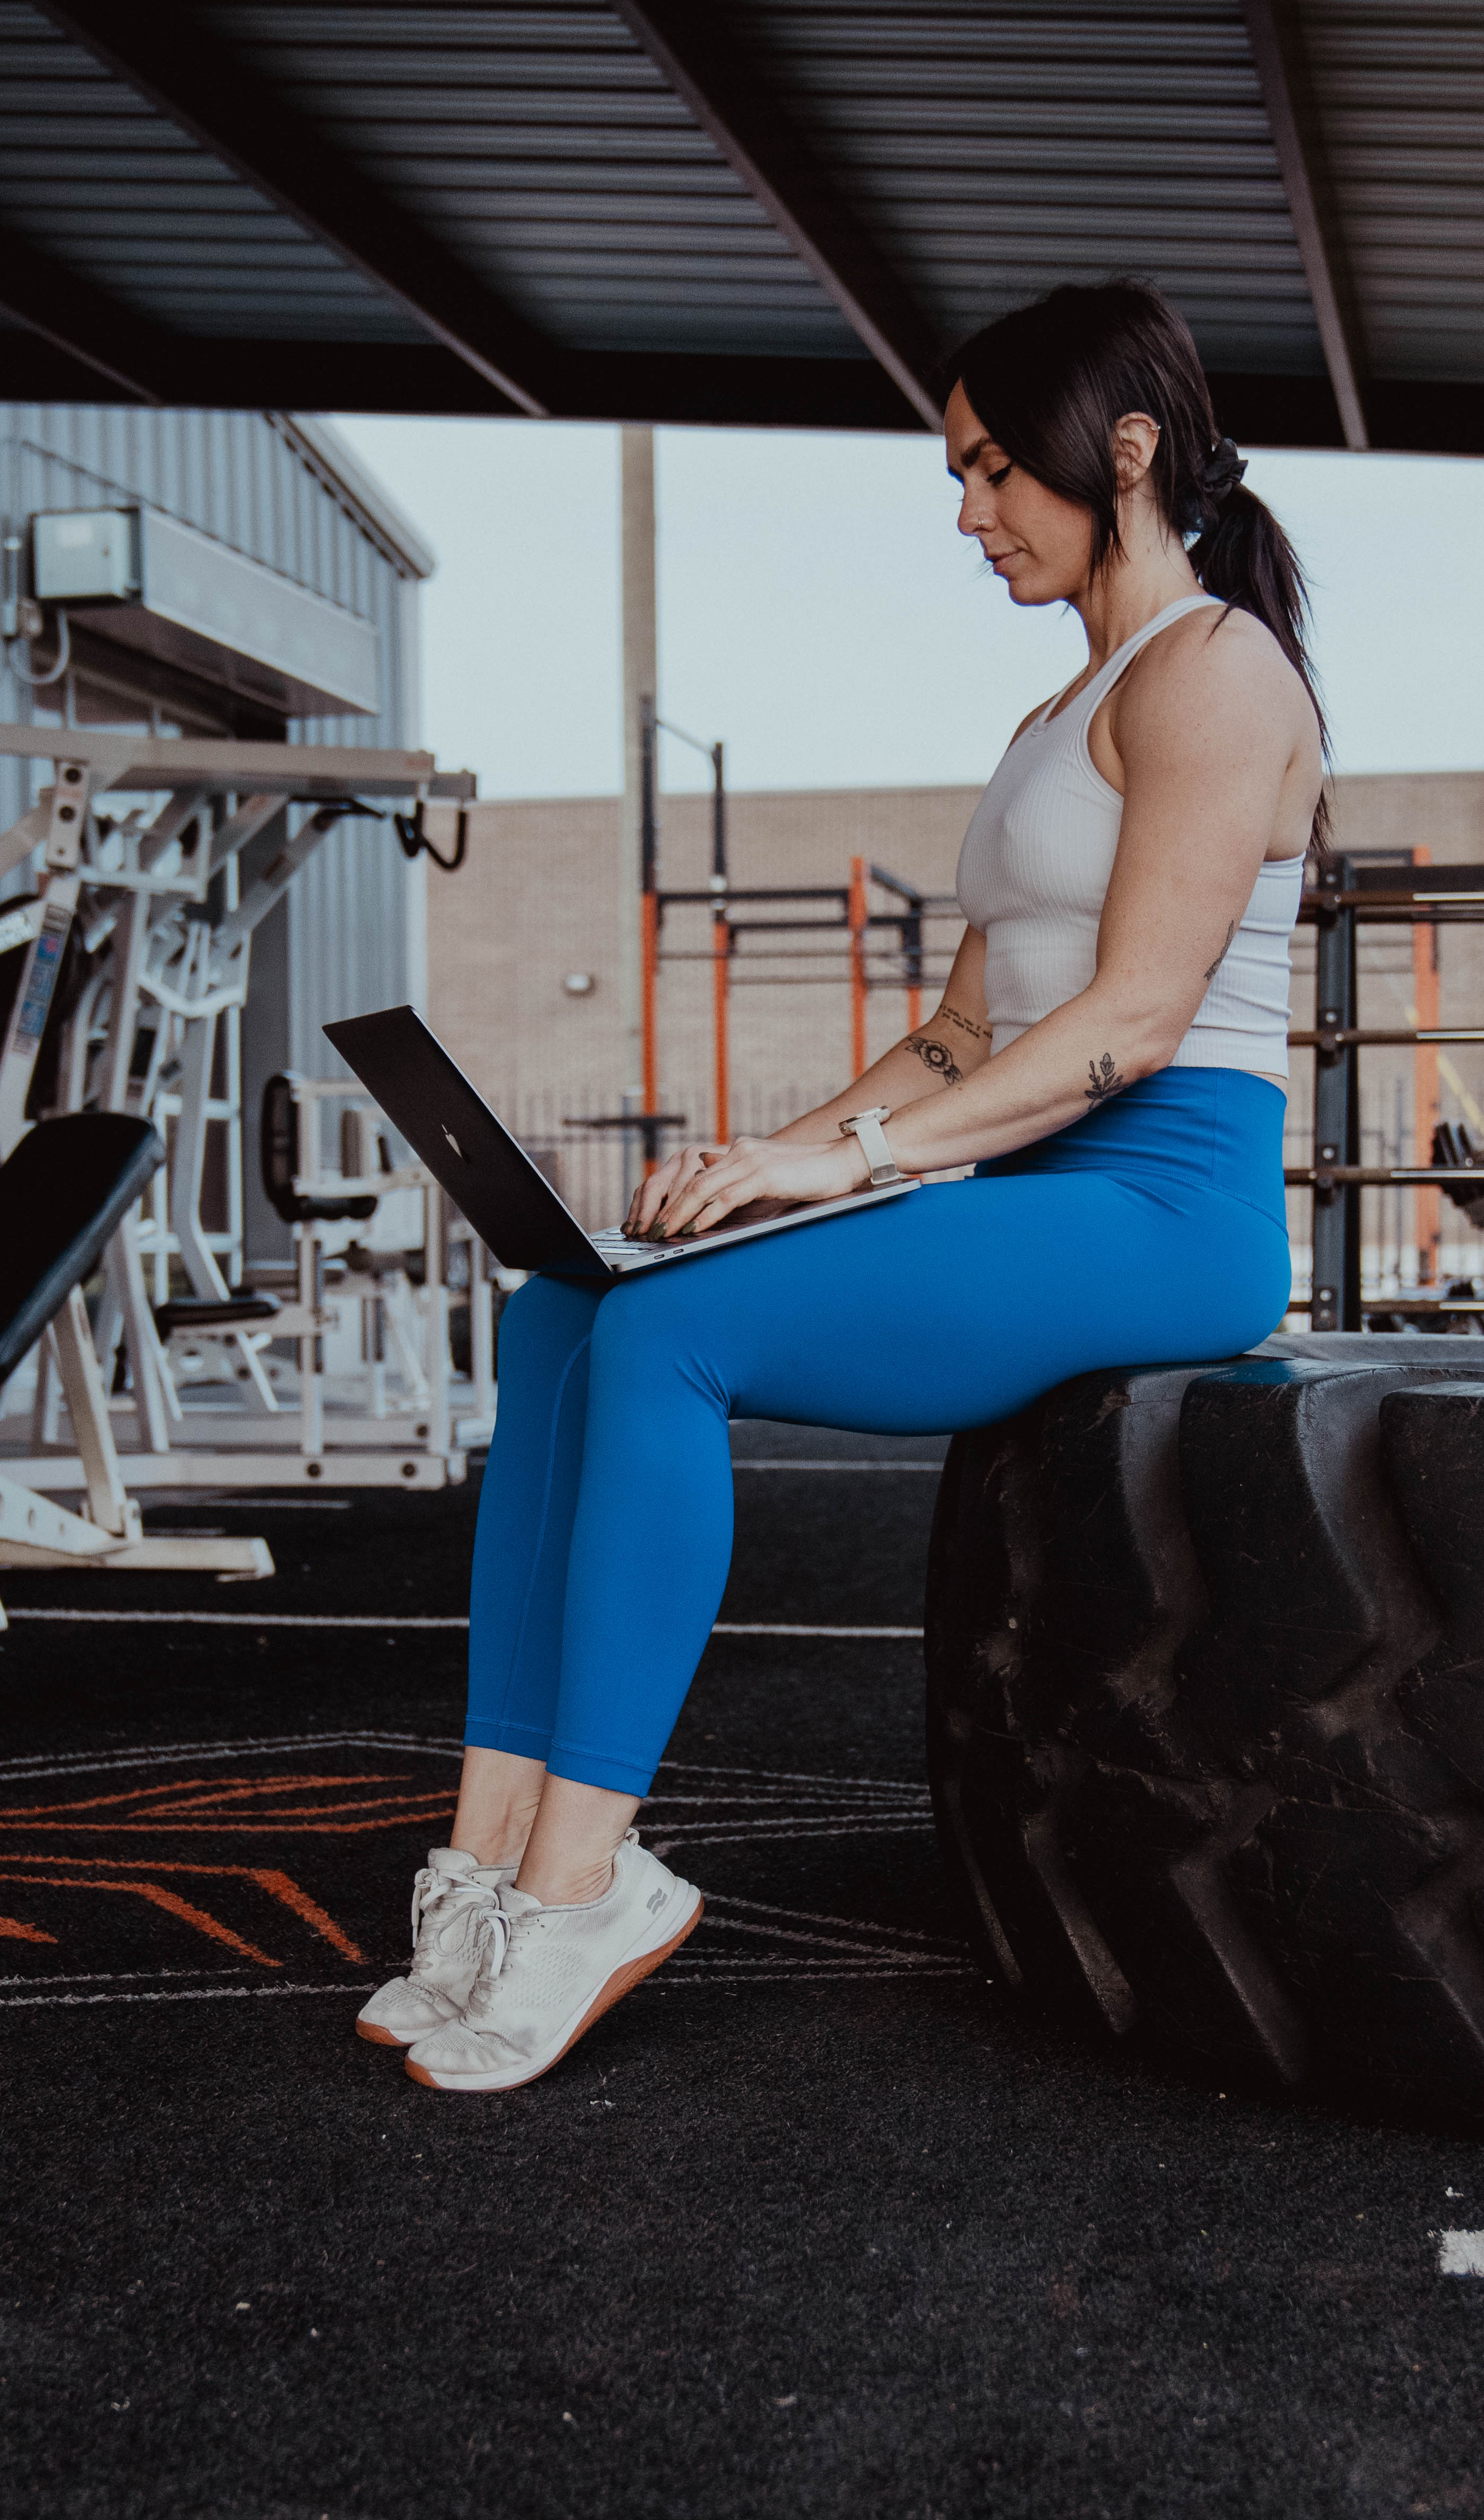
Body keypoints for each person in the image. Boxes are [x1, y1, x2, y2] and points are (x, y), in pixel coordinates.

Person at [368, 276, 1328, 2094]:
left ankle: (585, 1887)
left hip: (1163, 1206)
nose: (967, 512)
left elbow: (1136, 1019)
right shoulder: (1063, 705)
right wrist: (770, 1164)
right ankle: (485, 1862)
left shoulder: (1218, 671)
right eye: (958, 475)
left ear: (1124, 452)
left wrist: (850, 1162)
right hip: (1030, 1172)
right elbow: (965, 1032)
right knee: (562, 1309)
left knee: (667, 1343)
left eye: (991, 470)